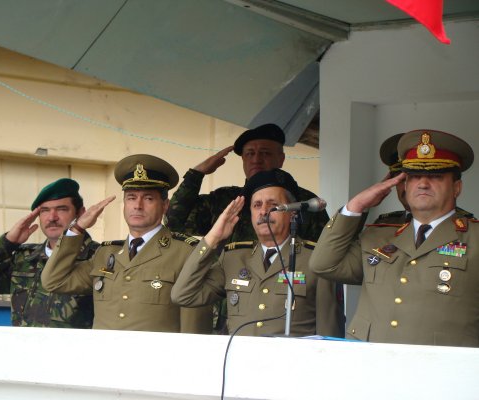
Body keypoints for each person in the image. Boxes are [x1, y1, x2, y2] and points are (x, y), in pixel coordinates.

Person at [310, 129, 479, 347]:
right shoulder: (378, 235)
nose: (423, 183)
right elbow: (324, 265)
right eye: (414, 177)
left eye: (436, 176)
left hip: (441, 365)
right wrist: (356, 206)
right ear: (405, 185)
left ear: (457, 188)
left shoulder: (473, 238)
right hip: (373, 361)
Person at [41, 154, 212, 333]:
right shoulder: (106, 253)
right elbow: (53, 281)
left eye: (148, 198)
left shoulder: (186, 252)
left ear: (165, 205)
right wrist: (77, 228)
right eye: (131, 198)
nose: (138, 205)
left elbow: (194, 325)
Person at [171, 168, 344, 337]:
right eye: (257, 205)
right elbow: (183, 295)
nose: (263, 211)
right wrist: (213, 238)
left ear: (292, 213)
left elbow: (329, 332)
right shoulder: (233, 257)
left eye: (273, 205)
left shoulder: (316, 261)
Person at [0, 178, 97, 328]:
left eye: (61, 209)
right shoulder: (25, 258)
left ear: (81, 214)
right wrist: (8, 243)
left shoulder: (99, 257)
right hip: (25, 343)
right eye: (44, 211)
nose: (52, 217)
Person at [166, 123, 329, 243]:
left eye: (265, 153)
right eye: (250, 154)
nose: (256, 159)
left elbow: (325, 253)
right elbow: (174, 222)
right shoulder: (225, 200)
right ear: (243, 159)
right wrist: (196, 174)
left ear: (281, 159)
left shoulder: (303, 202)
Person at [374, 133, 473, 224]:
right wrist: (365, 205)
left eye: (434, 175)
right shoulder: (383, 226)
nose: (422, 185)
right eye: (411, 177)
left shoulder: (471, 230)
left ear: (456, 188)